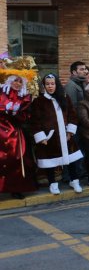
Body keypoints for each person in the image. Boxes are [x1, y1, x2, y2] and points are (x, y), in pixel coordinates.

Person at [31, 74, 84, 195]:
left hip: (66, 135)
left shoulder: (65, 97)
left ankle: (74, 180)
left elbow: (72, 114)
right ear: (44, 86)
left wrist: (70, 131)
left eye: (52, 84)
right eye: (47, 84)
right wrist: (41, 136)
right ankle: (52, 183)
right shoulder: (39, 101)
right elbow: (35, 120)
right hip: (49, 137)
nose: (50, 86)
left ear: (57, 84)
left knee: (71, 160)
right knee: (50, 161)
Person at [0, 57, 38, 198]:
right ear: (10, 80)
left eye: (20, 81)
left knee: (17, 161)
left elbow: (26, 116)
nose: (17, 83)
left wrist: (15, 112)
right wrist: (5, 109)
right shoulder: (1, 92)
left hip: (15, 135)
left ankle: (16, 189)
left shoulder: (25, 97)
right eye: (15, 80)